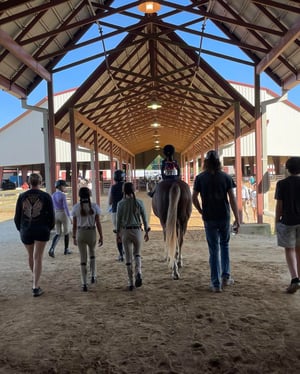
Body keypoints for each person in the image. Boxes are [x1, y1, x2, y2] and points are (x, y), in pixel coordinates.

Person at [192, 150, 240, 293]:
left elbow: (193, 197)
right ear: (219, 162)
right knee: (224, 245)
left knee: (213, 250)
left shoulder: (200, 178)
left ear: (205, 162)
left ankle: (216, 283)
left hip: (209, 217)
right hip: (224, 216)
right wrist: (237, 218)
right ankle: (226, 276)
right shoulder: (226, 177)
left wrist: (201, 211)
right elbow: (232, 199)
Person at [14, 173, 55, 297]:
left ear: (29, 182)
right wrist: (49, 227)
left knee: (31, 256)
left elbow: (17, 216)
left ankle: (35, 280)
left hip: (26, 229)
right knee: (38, 257)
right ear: (40, 182)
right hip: (41, 228)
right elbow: (51, 216)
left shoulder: (22, 196)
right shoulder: (46, 196)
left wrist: (20, 229)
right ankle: (35, 286)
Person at [116, 182, 150, 291]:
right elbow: (144, 218)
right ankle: (138, 272)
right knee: (137, 254)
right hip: (137, 231)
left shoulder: (120, 204)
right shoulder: (139, 202)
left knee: (128, 257)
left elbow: (118, 220)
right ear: (134, 190)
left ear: (124, 191)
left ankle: (130, 282)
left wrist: (118, 233)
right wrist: (146, 232)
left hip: (126, 231)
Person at [275, 156, 300, 294]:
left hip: (288, 221)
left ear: (288, 169)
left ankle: (295, 279)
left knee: (289, 249)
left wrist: (276, 222)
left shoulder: (282, 184)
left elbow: (279, 205)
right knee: (299, 250)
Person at [71, 187, 103, 292]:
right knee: (92, 254)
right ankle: (93, 275)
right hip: (91, 232)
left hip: (80, 232)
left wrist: (74, 236)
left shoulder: (76, 207)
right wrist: (101, 236)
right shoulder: (94, 207)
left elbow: (74, 225)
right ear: (89, 195)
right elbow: (98, 223)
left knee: (83, 258)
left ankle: (84, 283)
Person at [48, 179, 72, 258]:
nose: (65, 188)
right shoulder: (63, 195)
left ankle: (52, 248)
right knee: (66, 232)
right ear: (61, 186)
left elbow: (52, 206)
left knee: (58, 233)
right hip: (63, 214)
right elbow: (65, 207)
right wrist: (69, 217)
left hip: (56, 214)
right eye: (64, 186)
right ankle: (66, 249)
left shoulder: (53, 195)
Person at [108, 169, 125, 261]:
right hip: (126, 212)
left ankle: (121, 254)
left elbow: (110, 202)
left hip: (115, 211)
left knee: (118, 233)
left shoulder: (113, 187)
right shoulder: (126, 186)